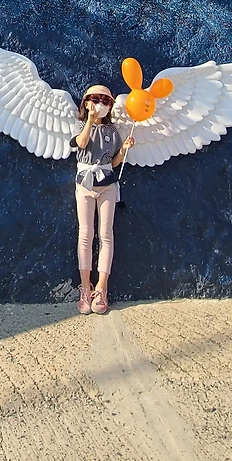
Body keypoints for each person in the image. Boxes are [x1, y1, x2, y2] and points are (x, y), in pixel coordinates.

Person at [71, 85, 135, 315]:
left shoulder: (112, 131)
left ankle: (101, 287)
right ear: (87, 102)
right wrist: (90, 120)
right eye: (96, 99)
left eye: (106, 101)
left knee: (106, 234)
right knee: (85, 234)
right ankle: (85, 287)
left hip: (107, 185)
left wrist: (124, 149)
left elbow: (114, 162)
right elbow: (81, 143)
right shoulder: (80, 125)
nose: (100, 104)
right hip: (85, 185)